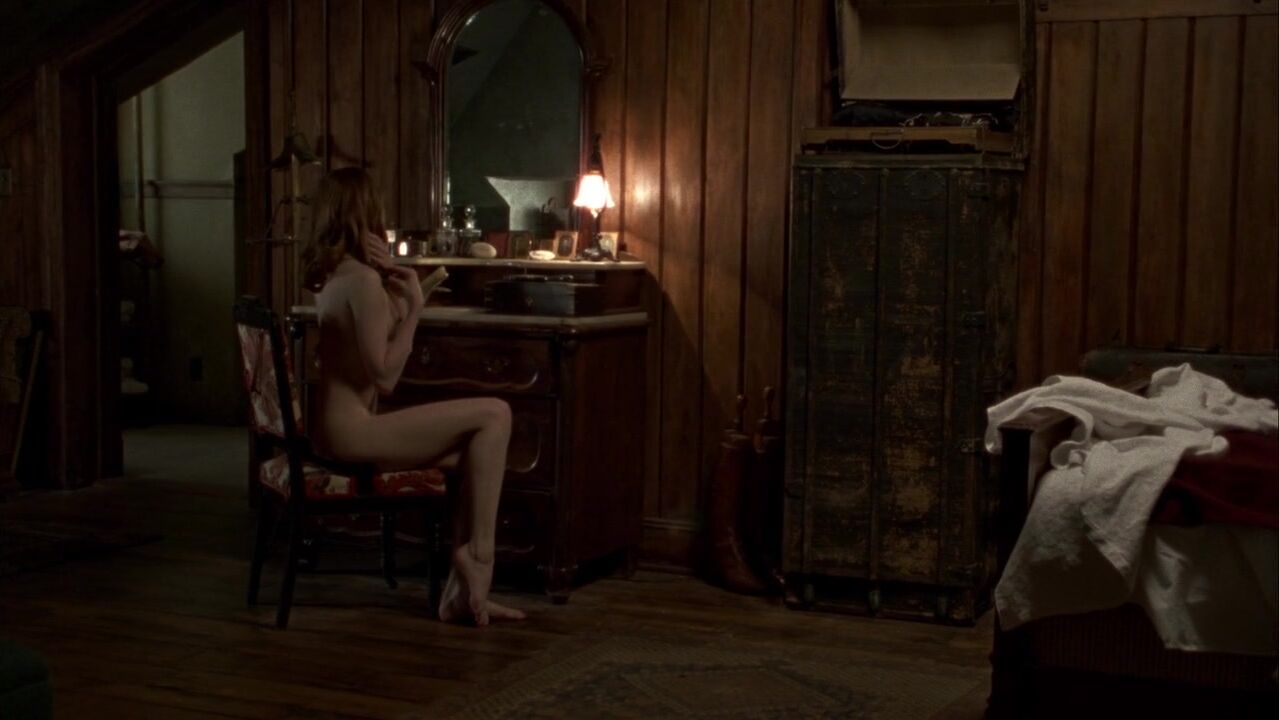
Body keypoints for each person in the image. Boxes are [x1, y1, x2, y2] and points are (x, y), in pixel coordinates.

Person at [300, 167, 525, 626]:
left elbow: (369, 339)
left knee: (475, 453)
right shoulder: (361, 282)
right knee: (496, 413)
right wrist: (415, 310)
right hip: (355, 434)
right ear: (366, 212)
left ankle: (462, 596)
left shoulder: (341, 277)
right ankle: (479, 556)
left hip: (336, 430)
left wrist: (396, 289)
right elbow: (385, 377)